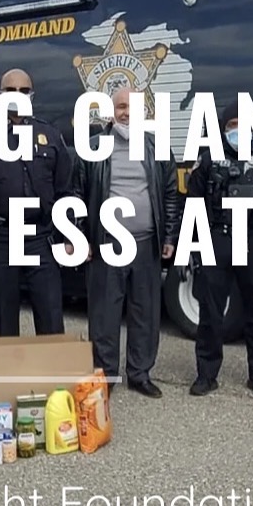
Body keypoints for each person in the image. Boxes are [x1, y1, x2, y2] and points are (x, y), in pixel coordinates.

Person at [71, 86, 183, 397]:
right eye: (121, 107)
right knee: (105, 315)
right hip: (107, 245)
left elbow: (171, 195)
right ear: (111, 112)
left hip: (147, 244)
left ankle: (140, 373)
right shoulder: (91, 148)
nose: (127, 113)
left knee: (145, 313)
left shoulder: (157, 147)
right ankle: (105, 376)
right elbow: (77, 195)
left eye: (133, 107)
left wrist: (170, 236)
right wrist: (81, 237)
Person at [187, 98, 253, 397]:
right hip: (218, 239)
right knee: (210, 310)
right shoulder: (208, 159)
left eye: (243, 125)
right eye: (232, 126)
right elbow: (193, 204)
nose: (238, 131)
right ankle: (206, 374)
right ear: (223, 128)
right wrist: (193, 249)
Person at [0, 68, 74, 337]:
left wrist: (70, 234)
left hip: (40, 237)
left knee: (51, 317)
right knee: (3, 321)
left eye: (23, 91)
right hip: (0, 237)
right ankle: (9, 379)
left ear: (32, 95)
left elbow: (65, 189)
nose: (17, 96)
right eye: (10, 91)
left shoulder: (50, 135)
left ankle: (52, 380)